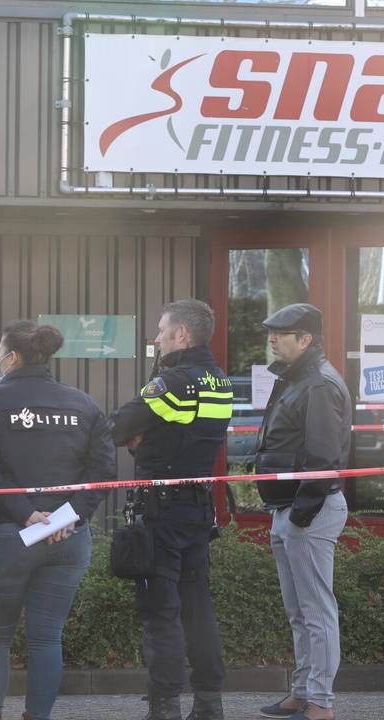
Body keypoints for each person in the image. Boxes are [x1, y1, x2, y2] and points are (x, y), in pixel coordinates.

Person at [0, 320, 116, 720]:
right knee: (47, 639)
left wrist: (27, 513)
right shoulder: (83, 403)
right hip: (67, 538)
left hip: (10, 534)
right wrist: (66, 517)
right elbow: (103, 471)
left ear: (11, 357)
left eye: (0, 353)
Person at [111, 299, 234, 720]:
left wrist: (141, 435)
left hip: (161, 514)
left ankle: (164, 707)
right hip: (199, 510)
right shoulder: (220, 381)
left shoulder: (174, 382)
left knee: (161, 613)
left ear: (182, 334)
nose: (158, 339)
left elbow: (118, 427)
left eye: (162, 331)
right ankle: (209, 703)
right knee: (198, 608)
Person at [253, 304, 351, 720]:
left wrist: (300, 515)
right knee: (300, 612)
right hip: (290, 506)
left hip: (307, 508)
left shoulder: (317, 385)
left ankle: (320, 705)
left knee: (316, 612)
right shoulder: (297, 379)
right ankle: (303, 692)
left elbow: (324, 457)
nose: (273, 338)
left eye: (283, 333)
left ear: (306, 339)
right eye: (271, 332)